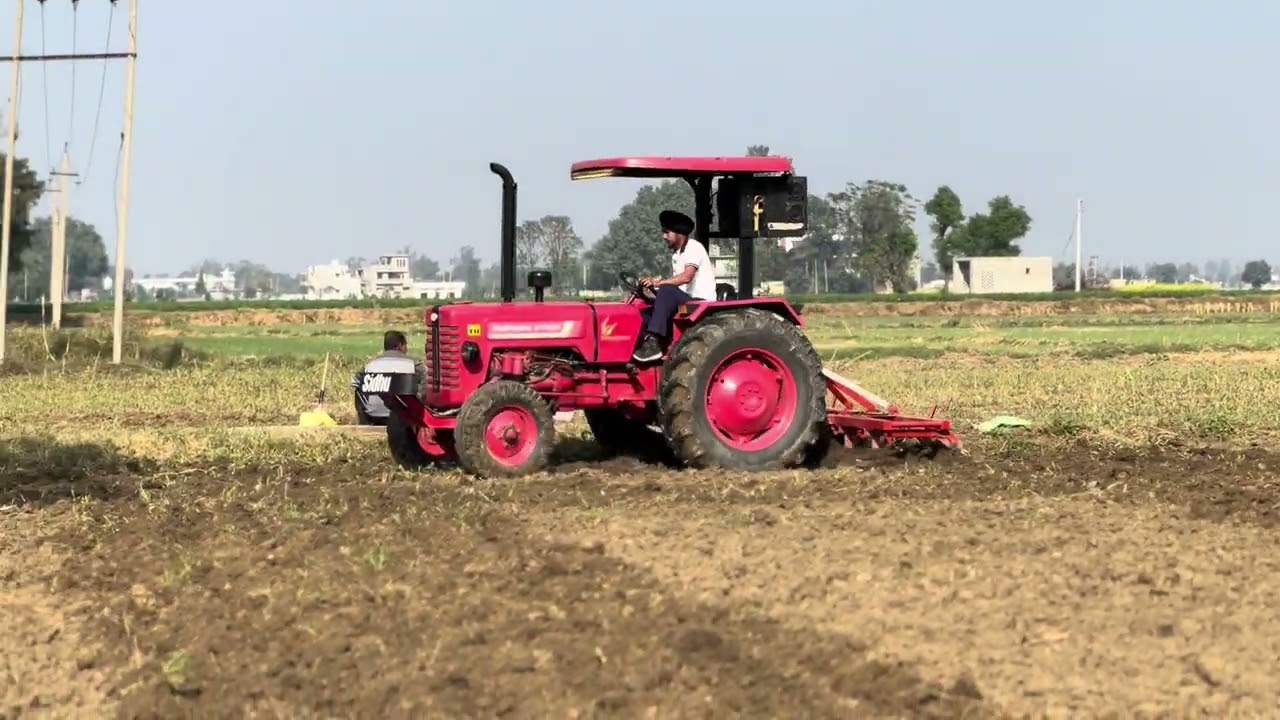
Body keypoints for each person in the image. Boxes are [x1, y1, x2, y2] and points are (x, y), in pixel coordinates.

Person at [632, 209, 718, 362]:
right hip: (686, 299)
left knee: (667, 290)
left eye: (667, 232)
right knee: (643, 312)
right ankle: (639, 345)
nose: (664, 236)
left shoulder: (693, 247)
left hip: (700, 303)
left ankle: (654, 342)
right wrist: (651, 290)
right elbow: (675, 286)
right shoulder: (677, 255)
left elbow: (686, 277)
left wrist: (658, 283)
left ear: (679, 233)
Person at [351, 330, 427, 425]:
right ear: (400, 345)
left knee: (359, 387)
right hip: (403, 419)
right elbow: (425, 387)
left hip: (374, 416)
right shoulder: (414, 365)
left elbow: (355, 384)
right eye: (405, 346)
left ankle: (364, 423)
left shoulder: (369, 365)